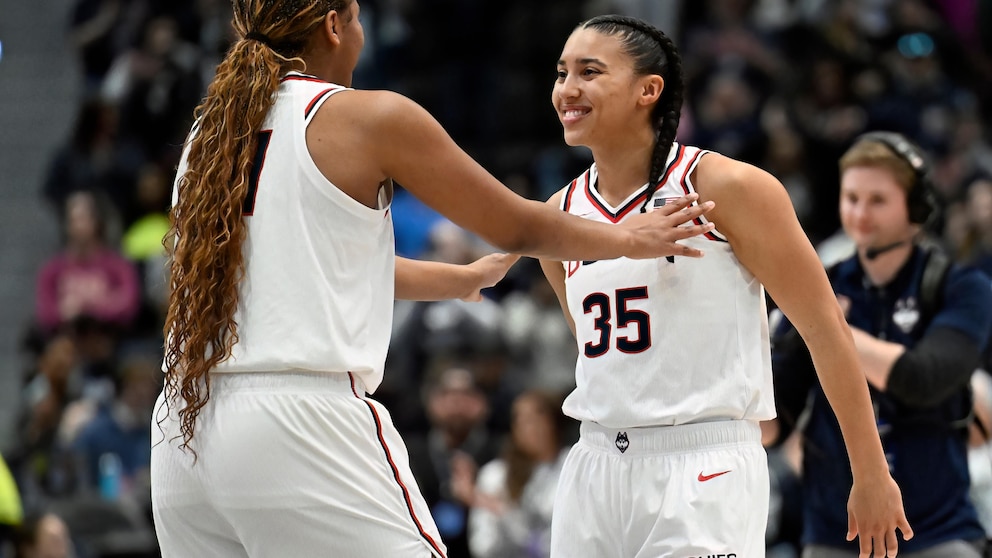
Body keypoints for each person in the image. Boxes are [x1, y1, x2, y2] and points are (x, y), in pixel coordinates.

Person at [149, 2, 717, 557]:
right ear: (333, 26)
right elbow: (515, 225)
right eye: (358, 18)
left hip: (185, 425)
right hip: (297, 420)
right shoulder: (367, 116)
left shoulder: (211, 133)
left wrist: (458, 280)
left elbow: (313, 266)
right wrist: (628, 236)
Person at [537, 15, 912, 558]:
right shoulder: (559, 216)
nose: (567, 89)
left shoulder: (727, 186)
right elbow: (603, 360)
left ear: (649, 90)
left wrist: (870, 470)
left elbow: (825, 327)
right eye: (562, 73)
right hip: (592, 468)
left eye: (589, 72)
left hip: (702, 464)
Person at [768, 132, 992, 557]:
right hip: (835, 531)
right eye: (851, 198)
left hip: (937, 528)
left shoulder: (962, 287)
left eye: (877, 200)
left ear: (917, 207)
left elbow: (921, 379)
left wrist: (825, 327)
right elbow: (777, 420)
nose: (859, 213)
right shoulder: (819, 288)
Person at [455, 389, 573, 558]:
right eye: (519, 419)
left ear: (553, 422)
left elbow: (568, 538)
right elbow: (482, 546)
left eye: (535, 418)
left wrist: (497, 508)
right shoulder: (495, 475)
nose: (528, 427)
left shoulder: (572, 467)